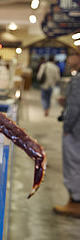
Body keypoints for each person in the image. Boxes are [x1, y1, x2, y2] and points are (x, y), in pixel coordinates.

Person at [54, 51, 80, 218]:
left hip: (76, 130)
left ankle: (75, 203)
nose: (69, 59)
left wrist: (67, 128)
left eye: (72, 55)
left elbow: (75, 108)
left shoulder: (78, 80)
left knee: (73, 165)